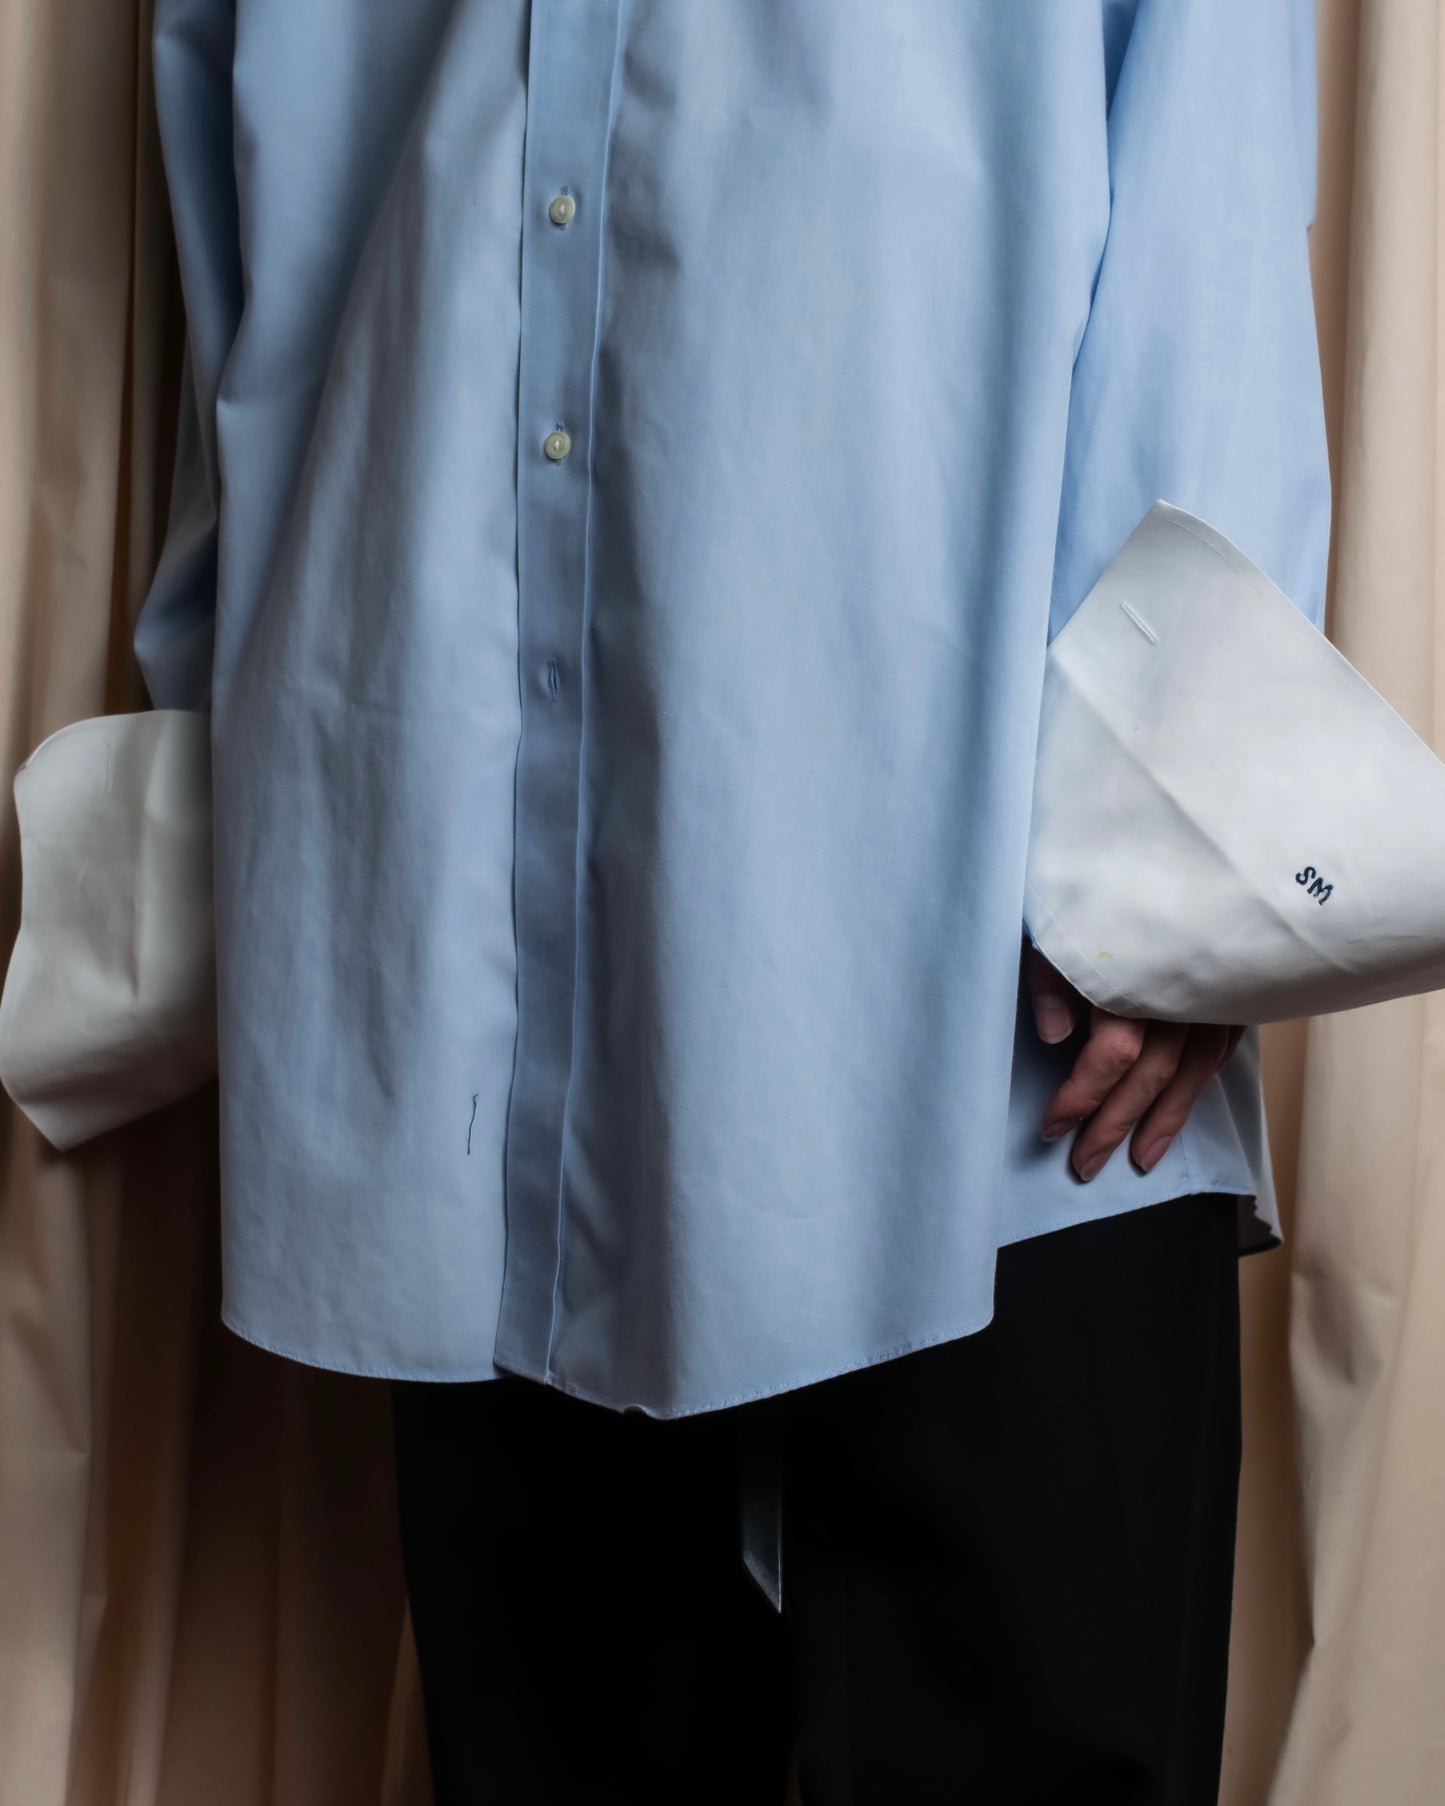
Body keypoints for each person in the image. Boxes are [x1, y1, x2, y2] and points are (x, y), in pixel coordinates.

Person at [135, 0, 1330, 1799]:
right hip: (471, 970)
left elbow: (1209, 195)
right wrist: (285, 809)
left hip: (1008, 1002)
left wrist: (1184, 830)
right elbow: (247, 248)